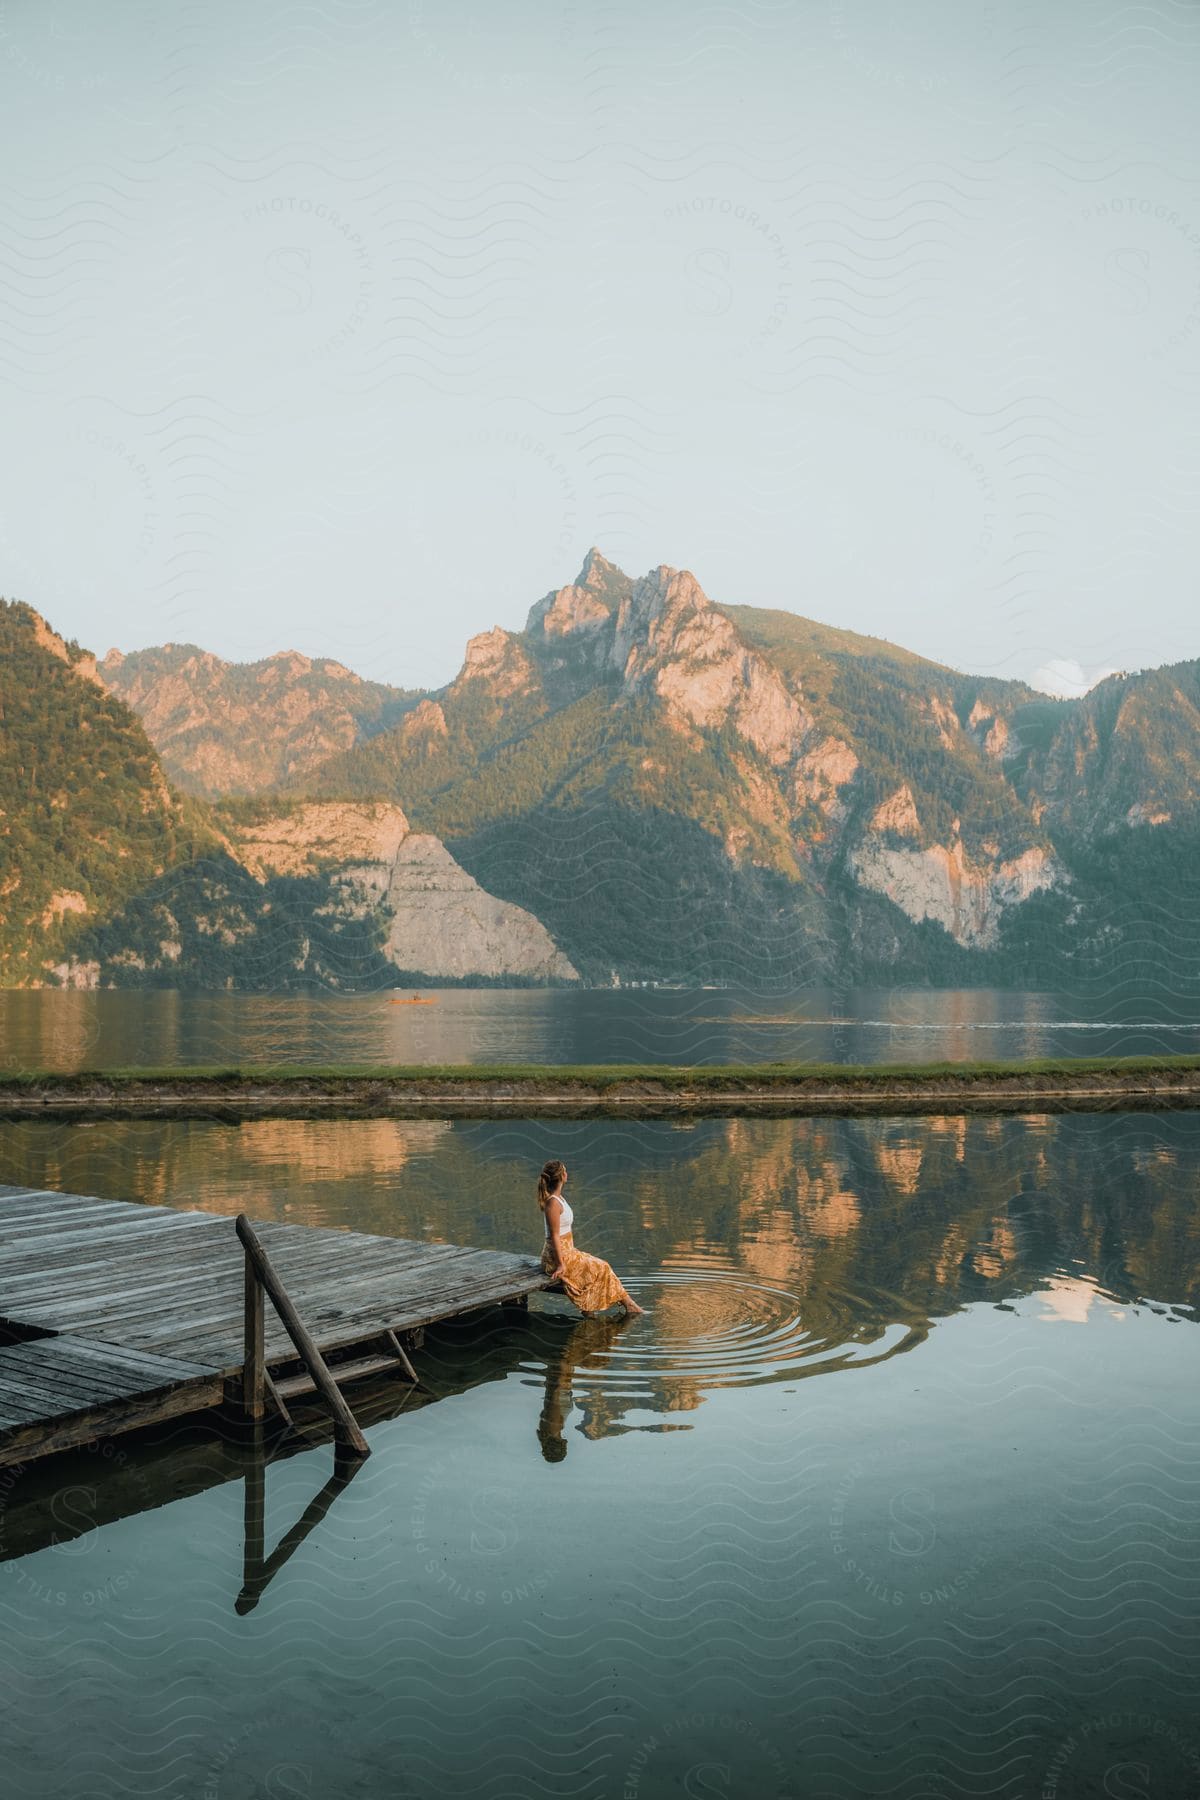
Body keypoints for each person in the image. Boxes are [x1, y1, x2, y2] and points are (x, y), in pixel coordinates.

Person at [537, 1159, 644, 1317]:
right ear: (562, 1176)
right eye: (565, 1171)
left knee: (598, 1268)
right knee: (602, 1267)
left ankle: (592, 1311)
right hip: (555, 1258)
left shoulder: (560, 1199)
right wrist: (560, 1265)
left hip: (568, 1252)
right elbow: (554, 1237)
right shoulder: (552, 1203)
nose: (568, 1173)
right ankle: (628, 1305)